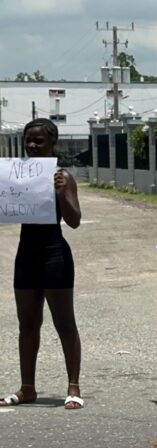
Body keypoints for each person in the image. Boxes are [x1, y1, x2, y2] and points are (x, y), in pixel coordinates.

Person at [0, 118, 84, 410]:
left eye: (39, 141)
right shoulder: (16, 175)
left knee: (64, 323)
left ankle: (73, 387)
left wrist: (61, 193)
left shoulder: (62, 177)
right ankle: (27, 388)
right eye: (29, 140)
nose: (32, 146)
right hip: (26, 256)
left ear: (53, 144)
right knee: (27, 324)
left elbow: (74, 220)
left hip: (54, 255)